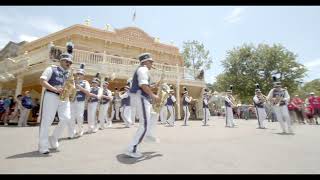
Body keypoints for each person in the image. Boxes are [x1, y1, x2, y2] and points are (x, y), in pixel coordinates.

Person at [38, 41, 74, 154]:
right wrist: (55, 89)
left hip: (65, 98)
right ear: (61, 61)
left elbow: (71, 86)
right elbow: (42, 81)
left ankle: (54, 137)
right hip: (51, 95)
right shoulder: (51, 69)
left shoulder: (69, 74)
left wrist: (72, 90)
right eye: (66, 61)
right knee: (47, 121)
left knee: (66, 118)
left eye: (70, 62)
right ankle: (43, 146)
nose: (68, 63)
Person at [125, 52, 160, 158]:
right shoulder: (143, 69)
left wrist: (155, 85)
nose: (152, 64)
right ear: (146, 61)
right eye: (151, 62)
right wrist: (154, 96)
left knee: (153, 116)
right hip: (141, 97)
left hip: (141, 97)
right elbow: (143, 85)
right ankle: (132, 149)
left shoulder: (142, 69)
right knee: (144, 124)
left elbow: (145, 85)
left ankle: (148, 134)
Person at [69, 64, 91, 137]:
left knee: (79, 116)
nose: (79, 75)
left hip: (80, 101)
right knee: (71, 117)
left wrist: (80, 88)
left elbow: (88, 92)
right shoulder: (72, 81)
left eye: (80, 74)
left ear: (83, 75)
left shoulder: (85, 82)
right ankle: (72, 131)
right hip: (72, 100)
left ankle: (80, 130)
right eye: (78, 74)